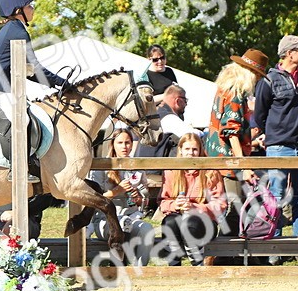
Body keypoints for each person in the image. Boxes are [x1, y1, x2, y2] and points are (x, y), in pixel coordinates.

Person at [0, 0, 66, 172]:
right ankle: (18, 167)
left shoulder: (15, 28)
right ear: (17, 10)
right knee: (22, 119)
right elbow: (35, 69)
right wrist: (62, 83)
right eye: (29, 5)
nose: (33, 8)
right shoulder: (18, 32)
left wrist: (57, 83)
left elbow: (28, 71)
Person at [253, 35, 298, 236]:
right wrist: (273, 134)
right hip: (279, 146)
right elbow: (259, 115)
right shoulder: (268, 80)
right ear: (289, 53)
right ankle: (274, 245)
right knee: (276, 197)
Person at [205, 48, 268, 205]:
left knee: (221, 207)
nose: (258, 79)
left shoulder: (223, 89)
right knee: (234, 209)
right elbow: (231, 132)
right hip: (229, 161)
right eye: (258, 75)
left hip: (213, 154)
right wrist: (244, 166)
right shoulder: (236, 95)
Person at [87, 128, 156, 266]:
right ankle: (119, 268)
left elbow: (145, 201)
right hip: (105, 220)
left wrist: (138, 199)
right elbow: (93, 200)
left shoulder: (137, 166)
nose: (124, 146)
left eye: (128, 142)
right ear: (112, 144)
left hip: (132, 216)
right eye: (120, 143)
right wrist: (116, 191)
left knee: (147, 229)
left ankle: (140, 269)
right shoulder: (101, 166)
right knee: (124, 223)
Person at [159, 132, 228, 266]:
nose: (191, 153)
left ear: (200, 150)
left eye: (194, 149)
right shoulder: (171, 171)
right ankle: (174, 268)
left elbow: (220, 205)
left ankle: (197, 264)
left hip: (204, 221)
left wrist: (195, 207)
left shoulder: (210, 172)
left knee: (190, 222)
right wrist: (175, 205)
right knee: (169, 222)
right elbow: (163, 202)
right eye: (187, 149)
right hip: (178, 216)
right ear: (180, 150)